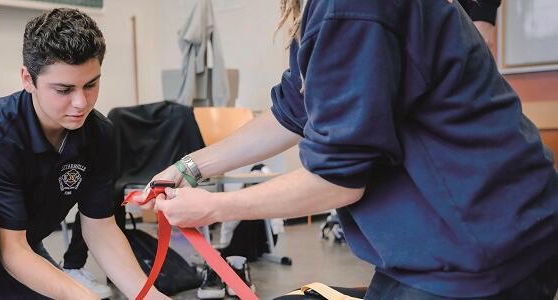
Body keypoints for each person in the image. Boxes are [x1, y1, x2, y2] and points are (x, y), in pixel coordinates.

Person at [143, 0, 558, 299]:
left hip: (480, 249)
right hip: (460, 241)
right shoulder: (325, 11)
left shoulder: (352, 8)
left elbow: (336, 182)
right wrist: (190, 166)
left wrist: (213, 208)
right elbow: (292, 111)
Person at [0, 8, 167, 300]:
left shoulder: (99, 135)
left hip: (18, 244)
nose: (81, 102)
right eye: (64, 89)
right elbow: (11, 250)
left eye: (91, 85)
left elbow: (101, 229)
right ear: (28, 79)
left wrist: (149, 296)